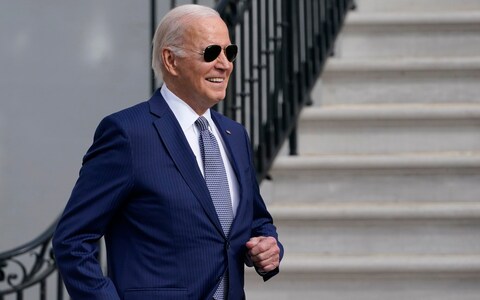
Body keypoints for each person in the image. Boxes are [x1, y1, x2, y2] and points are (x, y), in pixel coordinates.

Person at [52, 4, 283, 300]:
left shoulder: (235, 135)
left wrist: (268, 245)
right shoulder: (128, 134)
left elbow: (255, 219)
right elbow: (73, 240)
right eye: (211, 52)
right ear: (171, 60)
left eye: (230, 52)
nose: (224, 64)